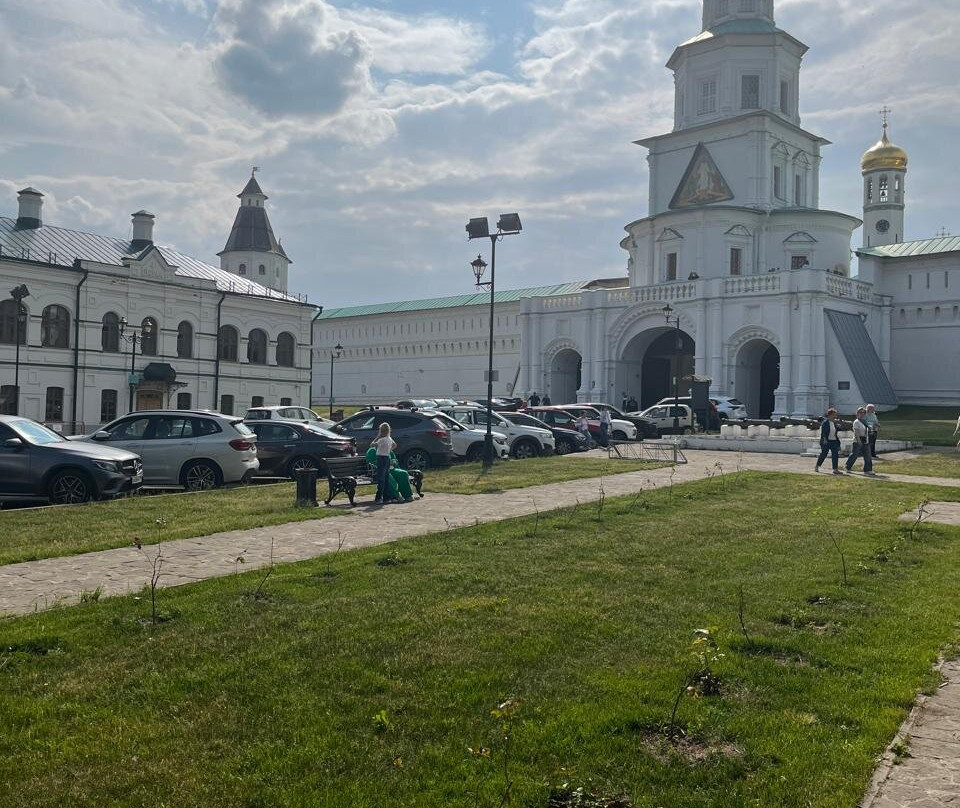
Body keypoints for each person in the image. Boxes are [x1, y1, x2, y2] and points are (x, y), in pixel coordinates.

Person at [372, 422, 397, 504]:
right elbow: (395, 445)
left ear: (381, 431)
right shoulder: (389, 439)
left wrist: (377, 436)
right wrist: (389, 450)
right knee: (386, 479)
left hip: (380, 458)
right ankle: (386, 497)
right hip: (387, 457)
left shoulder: (381, 440)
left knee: (381, 479)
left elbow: (371, 445)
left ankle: (378, 497)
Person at [845, 407, 874, 475]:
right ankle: (848, 467)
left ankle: (868, 470)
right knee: (854, 455)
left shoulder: (865, 421)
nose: (862, 414)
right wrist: (859, 441)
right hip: (858, 440)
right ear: (857, 413)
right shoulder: (856, 422)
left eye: (864, 412)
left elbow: (867, 430)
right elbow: (856, 432)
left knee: (868, 455)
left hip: (865, 440)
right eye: (861, 412)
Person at [815, 407, 843, 475]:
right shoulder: (825, 423)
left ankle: (835, 469)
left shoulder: (834, 423)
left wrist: (838, 427)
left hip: (833, 441)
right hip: (826, 441)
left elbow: (835, 431)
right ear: (830, 415)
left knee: (835, 455)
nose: (835, 416)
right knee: (824, 454)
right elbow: (823, 432)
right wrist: (824, 440)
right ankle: (817, 466)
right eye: (834, 415)